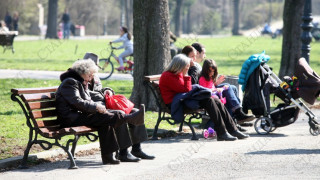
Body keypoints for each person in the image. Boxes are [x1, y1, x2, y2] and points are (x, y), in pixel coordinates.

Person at [55, 59, 145, 165]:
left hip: (80, 115)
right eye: (91, 75)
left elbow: (88, 98)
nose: (92, 78)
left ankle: (108, 157)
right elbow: (77, 102)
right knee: (112, 116)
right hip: (70, 119)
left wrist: (104, 97)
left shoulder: (80, 82)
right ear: (83, 73)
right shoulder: (70, 82)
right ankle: (129, 119)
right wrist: (96, 106)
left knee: (109, 118)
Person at [83, 52, 155, 162]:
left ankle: (137, 148)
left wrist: (108, 90)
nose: (96, 69)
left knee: (135, 111)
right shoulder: (79, 78)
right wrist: (102, 95)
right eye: (94, 66)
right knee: (119, 114)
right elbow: (84, 95)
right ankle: (123, 152)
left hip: (103, 106)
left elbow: (99, 90)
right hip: (92, 110)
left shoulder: (95, 76)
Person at [159, 54, 249, 141]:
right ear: (179, 66)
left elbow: (186, 89)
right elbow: (186, 89)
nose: (187, 68)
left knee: (216, 100)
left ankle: (233, 130)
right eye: (186, 66)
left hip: (184, 99)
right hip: (177, 103)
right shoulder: (168, 76)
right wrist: (186, 75)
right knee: (209, 100)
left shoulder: (177, 73)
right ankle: (222, 133)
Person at [199, 59, 255, 125]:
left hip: (214, 92)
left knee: (233, 88)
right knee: (228, 87)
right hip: (210, 96)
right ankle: (237, 112)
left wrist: (216, 83)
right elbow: (206, 90)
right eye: (210, 71)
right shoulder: (202, 78)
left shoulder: (209, 77)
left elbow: (212, 86)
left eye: (213, 72)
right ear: (205, 70)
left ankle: (236, 116)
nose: (212, 73)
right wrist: (217, 89)